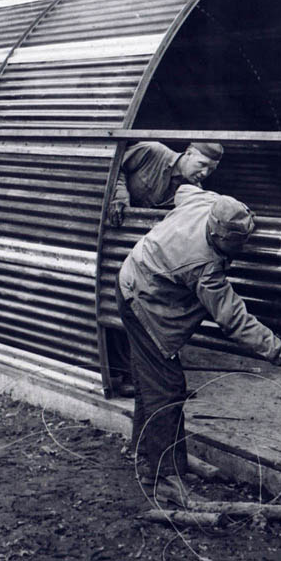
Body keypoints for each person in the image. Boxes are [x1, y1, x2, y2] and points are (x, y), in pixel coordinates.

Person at [118, 184, 281, 504]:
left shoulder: (209, 202)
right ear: (220, 238)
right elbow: (234, 319)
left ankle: (146, 454)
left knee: (151, 381)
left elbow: (184, 188)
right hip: (143, 300)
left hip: (134, 273)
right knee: (167, 388)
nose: (239, 248)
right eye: (233, 244)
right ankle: (165, 477)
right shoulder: (203, 266)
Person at [104, 141, 223, 397]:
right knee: (115, 306)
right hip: (115, 234)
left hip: (146, 252)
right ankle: (123, 373)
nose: (204, 174)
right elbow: (112, 165)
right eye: (202, 165)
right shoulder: (152, 151)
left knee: (145, 311)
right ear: (188, 153)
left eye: (210, 170)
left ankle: (144, 380)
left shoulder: (193, 191)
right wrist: (120, 195)